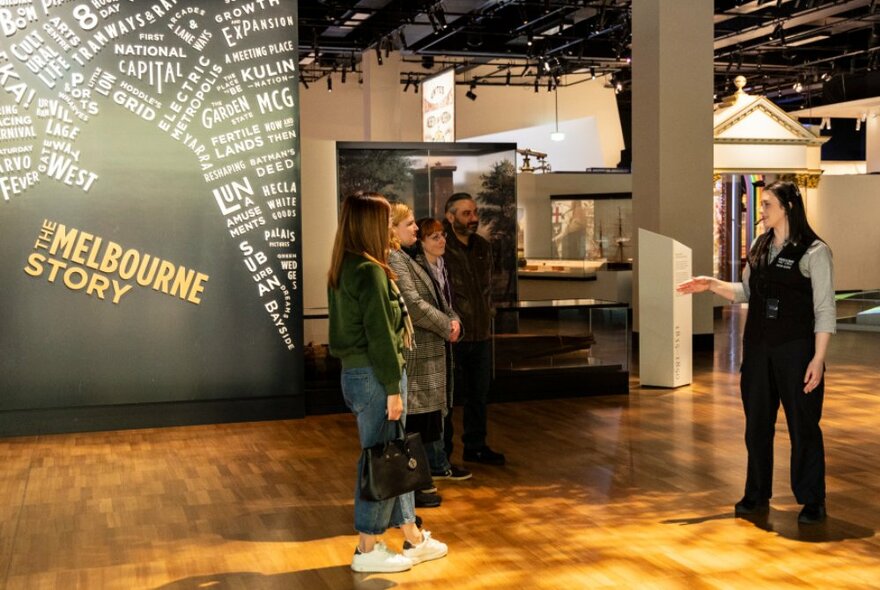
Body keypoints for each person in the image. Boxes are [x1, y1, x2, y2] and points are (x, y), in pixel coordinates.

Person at [676, 180, 835, 525]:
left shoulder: (814, 252)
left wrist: (818, 360)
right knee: (757, 426)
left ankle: (812, 499)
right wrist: (711, 284)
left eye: (766, 205)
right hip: (759, 349)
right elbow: (746, 292)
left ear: (787, 208)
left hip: (797, 351)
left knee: (803, 426)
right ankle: (756, 492)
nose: (760, 211)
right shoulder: (760, 246)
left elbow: (824, 311)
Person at [328, 192, 448, 573]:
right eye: (384, 221)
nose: (391, 229)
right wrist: (394, 390)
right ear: (369, 225)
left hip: (360, 374)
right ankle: (367, 548)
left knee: (393, 456)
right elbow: (380, 335)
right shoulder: (369, 271)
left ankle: (411, 535)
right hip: (378, 377)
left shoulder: (347, 266)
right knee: (380, 461)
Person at [388, 205, 470, 509]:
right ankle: (415, 487)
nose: (414, 229)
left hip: (430, 353)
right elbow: (413, 303)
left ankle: (421, 483)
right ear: (392, 229)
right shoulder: (396, 257)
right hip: (419, 355)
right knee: (417, 426)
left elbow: (437, 297)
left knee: (425, 423)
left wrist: (454, 321)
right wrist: (446, 323)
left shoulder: (412, 258)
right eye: (409, 224)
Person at [442, 192, 506, 466]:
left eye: (475, 212)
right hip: (452, 334)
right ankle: (441, 453)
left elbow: (489, 286)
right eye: (466, 213)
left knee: (479, 394)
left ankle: (475, 446)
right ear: (450, 216)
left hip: (480, 332)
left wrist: (488, 313)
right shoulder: (440, 245)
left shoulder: (482, 246)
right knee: (446, 397)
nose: (474, 218)